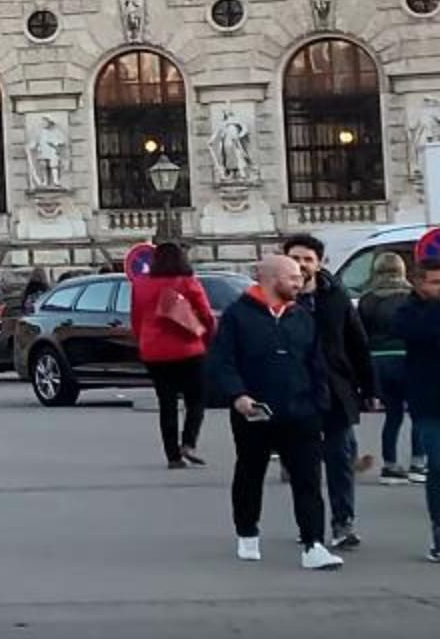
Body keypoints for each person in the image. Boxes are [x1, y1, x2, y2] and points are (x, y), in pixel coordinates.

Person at [204, 250, 340, 568]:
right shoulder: (238, 316)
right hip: (255, 412)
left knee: (307, 478)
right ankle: (247, 532)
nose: (300, 281)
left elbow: (317, 362)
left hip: (302, 411)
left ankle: (313, 544)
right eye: (292, 277)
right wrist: (238, 395)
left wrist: (320, 403)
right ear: (271, 279)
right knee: (250, 473)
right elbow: (222, 362)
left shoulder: (302, 316)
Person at [283, 232, 371, 550]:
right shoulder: (276, 298)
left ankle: (343, 522)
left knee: (339, 458)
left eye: (307, 259)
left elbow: (356, 341)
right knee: (302, 464)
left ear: (319, 263)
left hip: (335, 388)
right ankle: (310, 523)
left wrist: (368, 386)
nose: (302, 265)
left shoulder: (336, 297)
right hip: (295, 391)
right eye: (295, 258)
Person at [129, 241, 218, 470]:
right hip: (189, 349)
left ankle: (172, 457)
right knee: (196, 400)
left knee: (166, 404)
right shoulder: (188, 282)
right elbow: (207, 316)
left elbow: (136, 319)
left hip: (154, 353)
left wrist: (143, 343)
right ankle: (188, 442)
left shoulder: (140, 285)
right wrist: (207, 341)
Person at [391, 256, 440, 562]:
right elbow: (423, 334)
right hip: (430, 403)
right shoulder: (408, 312)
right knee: (438, 464)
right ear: (419, 284)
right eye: (436, 282)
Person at [356, 251, 415, 482]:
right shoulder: (411, 296)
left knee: (392, 416)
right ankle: (418, 463)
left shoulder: (367, 299)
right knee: (418, 414)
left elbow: (360, 334)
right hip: (406, 358)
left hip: (377, 361)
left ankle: (390, 465)